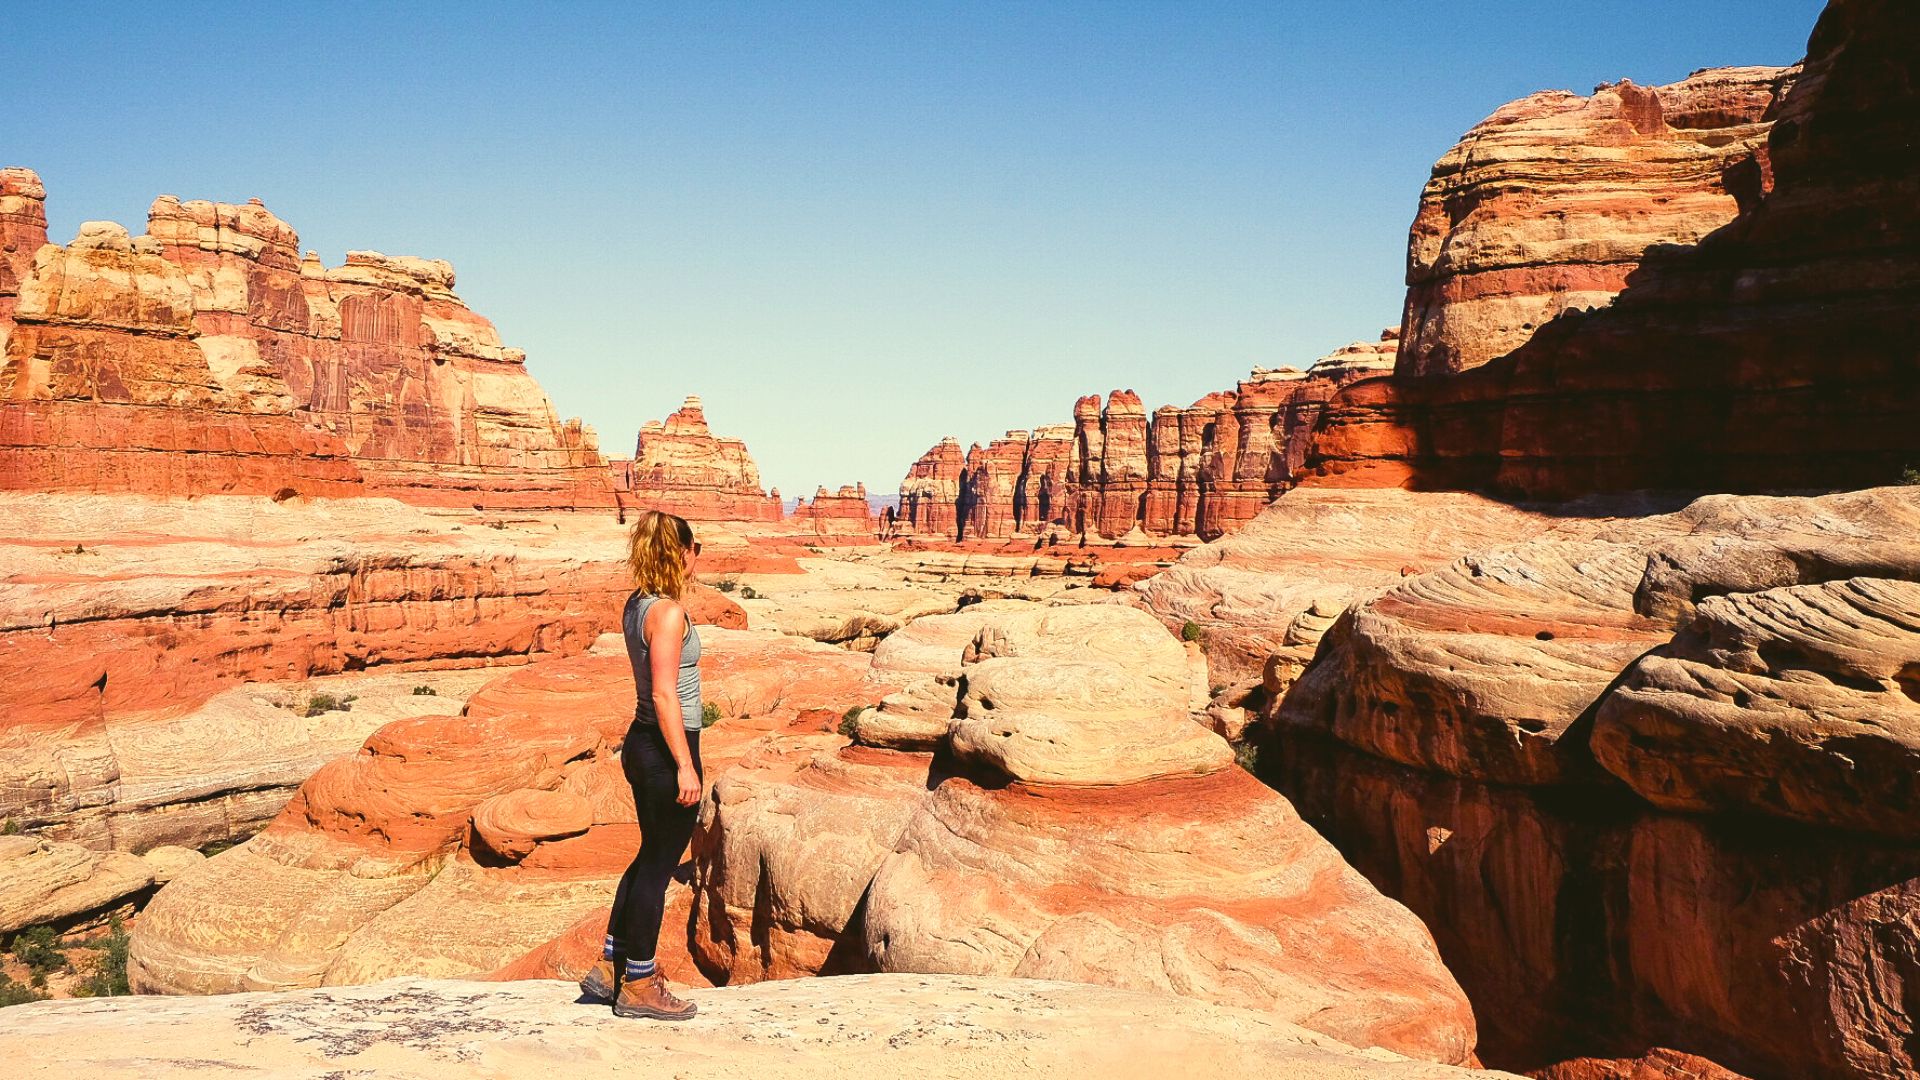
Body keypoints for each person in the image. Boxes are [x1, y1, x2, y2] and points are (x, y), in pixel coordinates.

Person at [578, 510, 706, 1020]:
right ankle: (640, 982)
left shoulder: (636, 605)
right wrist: (685, 766)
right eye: (696, 550)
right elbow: (664, 693)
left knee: (646, 855)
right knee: (659, 865)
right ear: (683, 553)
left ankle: (613, 965)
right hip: (664, 745)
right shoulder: (669, 612)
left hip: (642, 742)